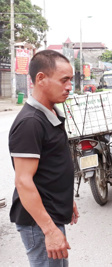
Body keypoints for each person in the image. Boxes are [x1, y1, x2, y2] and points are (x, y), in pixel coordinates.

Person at [8, 50, 79, 266]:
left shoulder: (51, 114)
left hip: (51, 215)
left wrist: (66, 200)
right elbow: (23, 181)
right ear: (41, 79)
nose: (69, 86)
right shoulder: (31, 122)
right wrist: (50, 230)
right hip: (38, 223)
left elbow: (50, 168)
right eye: (64, 80)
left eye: (71, 80)